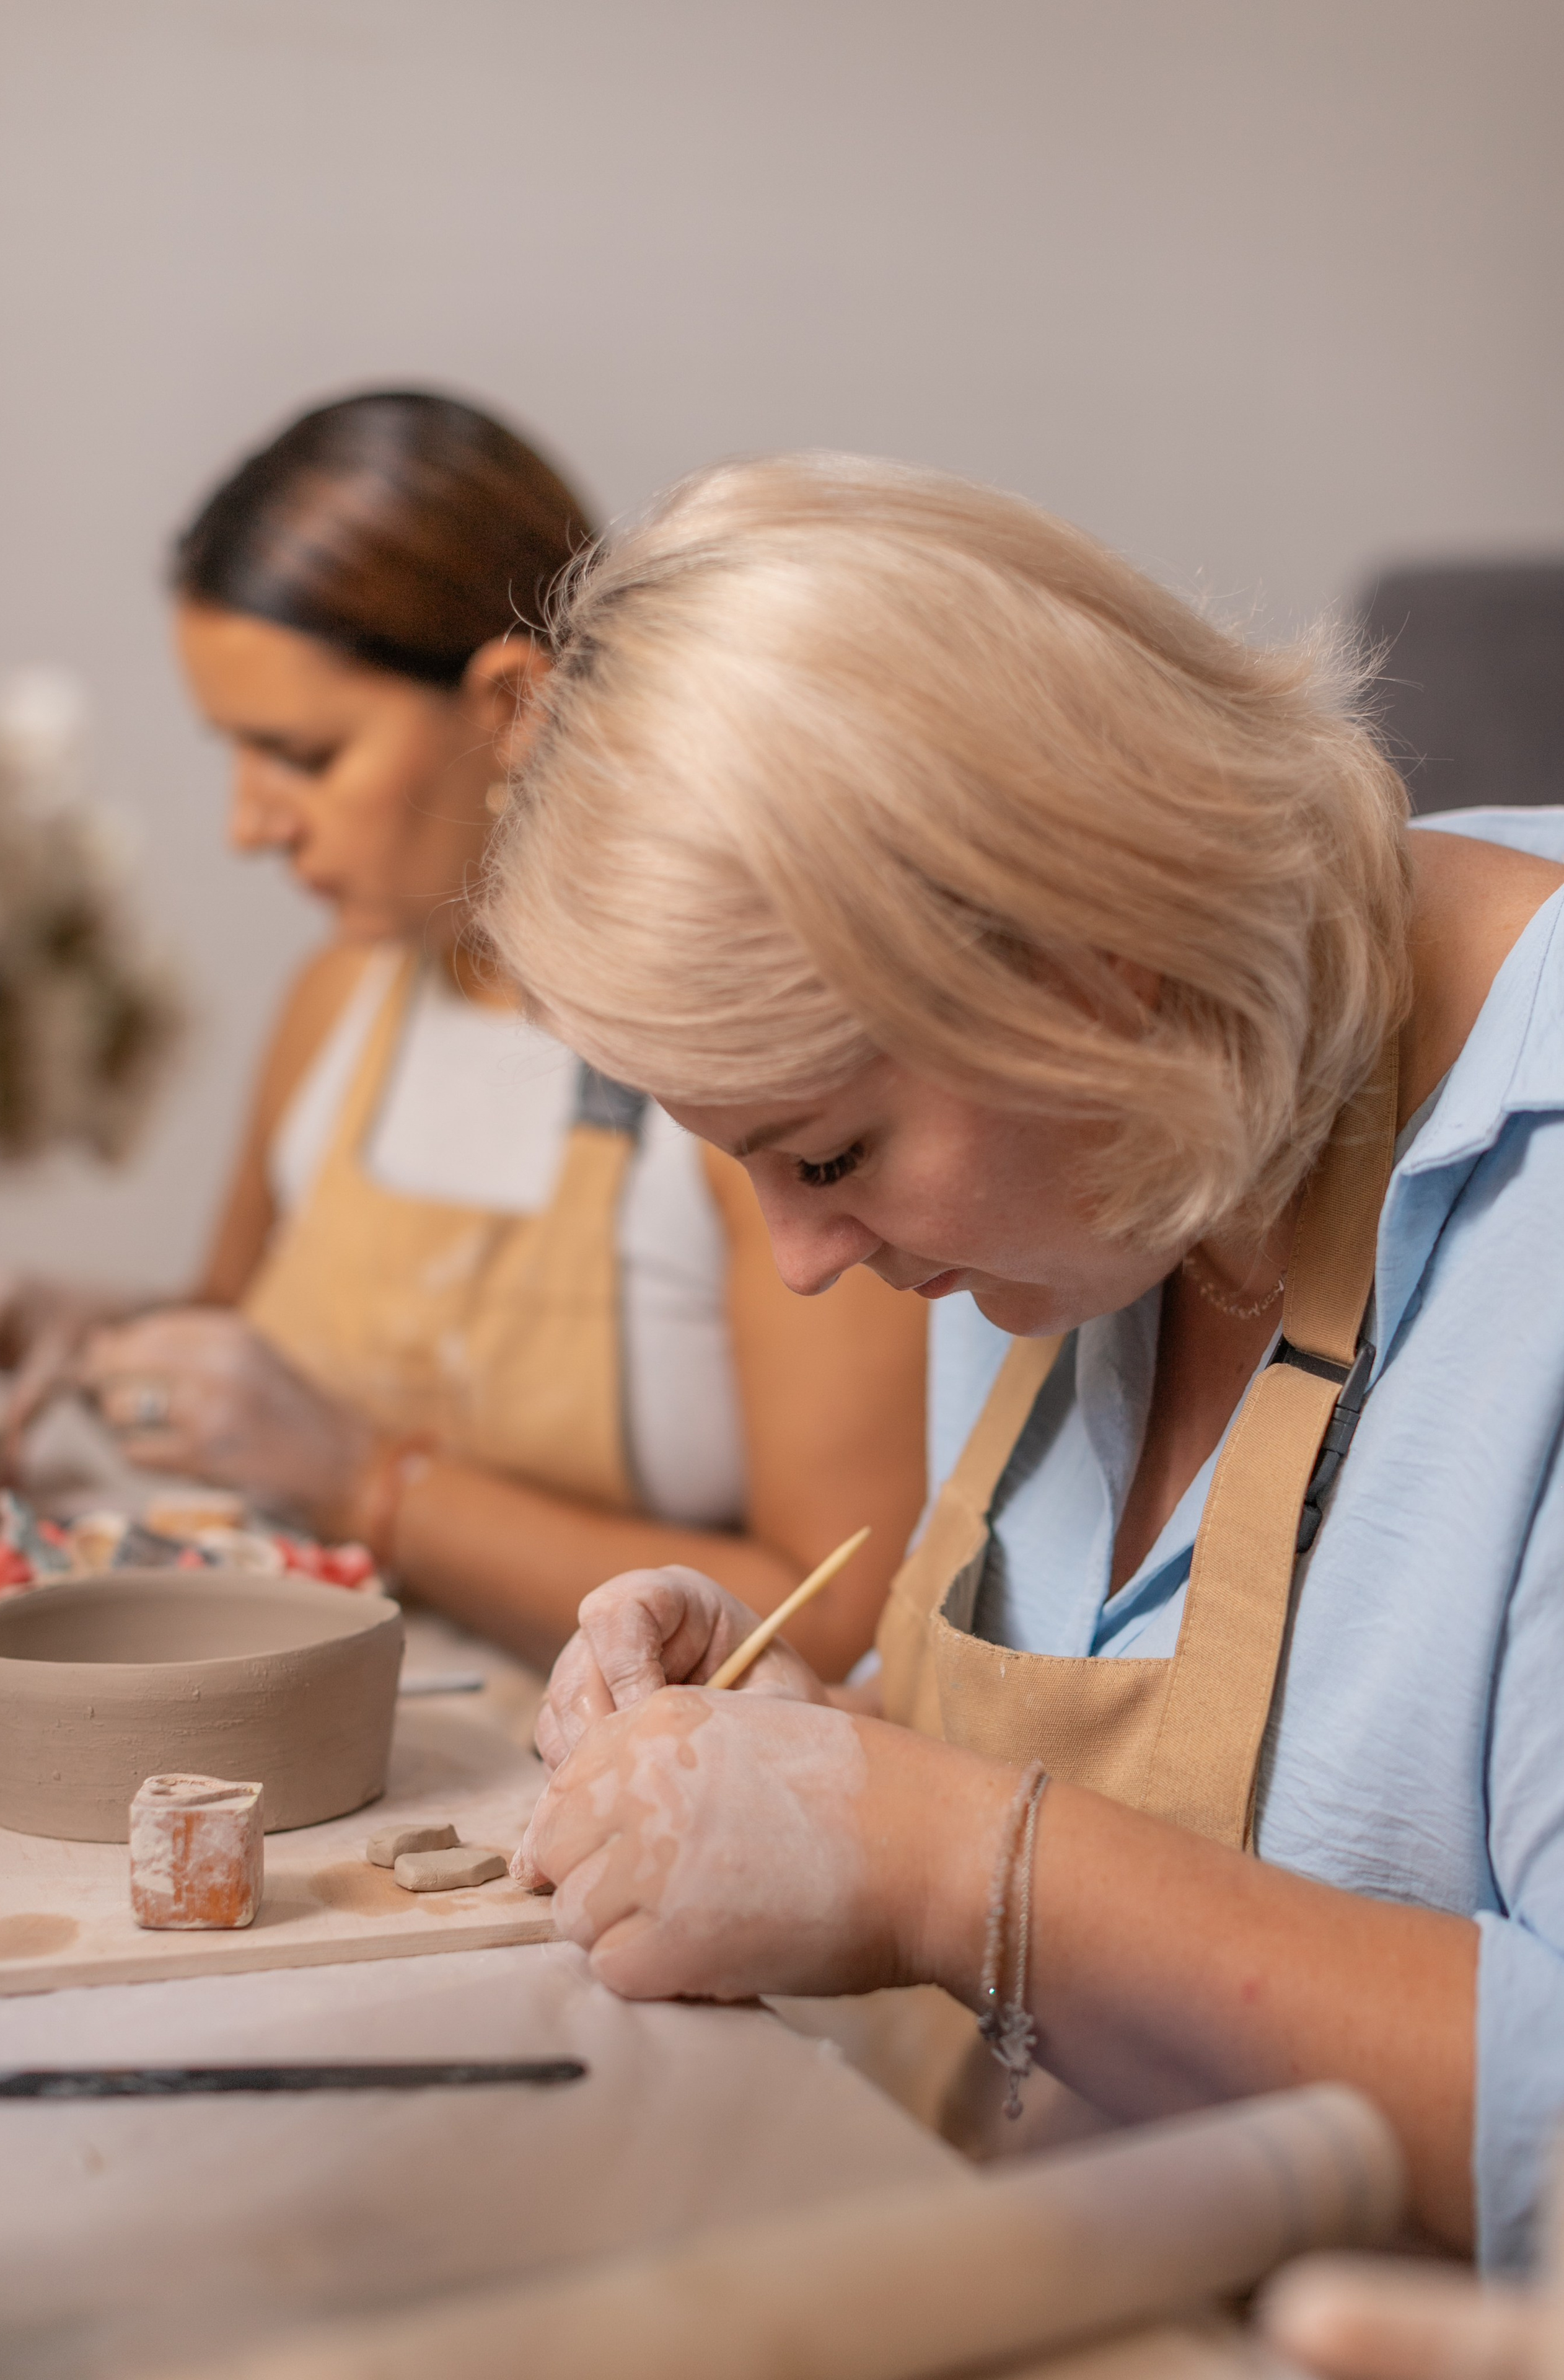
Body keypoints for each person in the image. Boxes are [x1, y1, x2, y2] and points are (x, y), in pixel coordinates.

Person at [481, 453, 1564, 2270]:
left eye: (825, 1156)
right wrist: (805, 1756)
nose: (803, 1263)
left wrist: (936, 1855)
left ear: (1101, 956)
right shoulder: (1095, 1178)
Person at [0, 399, 926, 1673]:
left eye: (300, 755)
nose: (249, 827)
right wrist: (95, 1337)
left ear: (510, 703)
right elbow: (254, 1359)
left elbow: (839, 1609)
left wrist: (375, 1486)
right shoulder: (339, 1008)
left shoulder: (737, 1052)